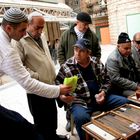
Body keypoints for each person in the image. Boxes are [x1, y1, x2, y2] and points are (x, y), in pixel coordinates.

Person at [0, 8, 71, 140]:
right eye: (22, 30)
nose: (24, 33)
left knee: (50, 117)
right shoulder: (9, 50)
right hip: (37, 88)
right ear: (9, 28)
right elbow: (27, 82)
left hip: (48, 84)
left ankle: (52, 136)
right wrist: (57, 89)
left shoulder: (9, 39)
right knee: (27, 126)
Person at [55, 38, 129, 140]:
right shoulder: (67, 66)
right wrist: (62, 96)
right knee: (81, 118)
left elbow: (107, 80)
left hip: (100, 98)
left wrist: (103, 92)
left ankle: (122, 133)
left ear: (88, 53)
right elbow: (57, 85)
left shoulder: (96, 62)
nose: (77, 53)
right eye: (76, 50)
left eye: (81, 51)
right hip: (79, 101)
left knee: (125, 102)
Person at [57, 11, 101, 131]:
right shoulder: (66, 34)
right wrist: (64, 66)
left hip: (86, 67)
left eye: (88, 24)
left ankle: (84, 114)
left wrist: (94, 62)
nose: (86, 26)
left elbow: (97, 50)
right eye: (84, 24)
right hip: (70, 70)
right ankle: (70, 119)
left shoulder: (91, 35)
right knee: (70, 94)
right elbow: (60, 51)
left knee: (85, 91)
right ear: (77, 22)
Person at [106, 32, 140, 97]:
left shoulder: (129, 54)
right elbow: (117, 79)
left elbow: (136, 69)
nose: (129, 50)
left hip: (131, 83)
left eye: (130, 48)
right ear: (118, 46)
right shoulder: (113, 59)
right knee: (137, 96)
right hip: (119, 88)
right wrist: (136, 86)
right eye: (126, 48)